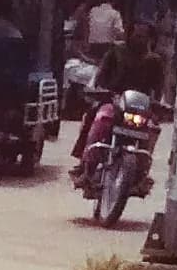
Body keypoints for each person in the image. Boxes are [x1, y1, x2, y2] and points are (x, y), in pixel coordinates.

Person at [70, 23, 169, 186]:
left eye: (144, 37)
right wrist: (100, 91)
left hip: (140, 106)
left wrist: (158, 106)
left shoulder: (154, 60)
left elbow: (158, 89)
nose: (140, 40)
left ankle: (142, 170)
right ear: (129, 35)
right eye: (137, 35)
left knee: (152, 128)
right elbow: (100, 77)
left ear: (151, 39)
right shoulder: (116, 52)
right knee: (99, 117)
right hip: (113, 101)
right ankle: (87, 164)